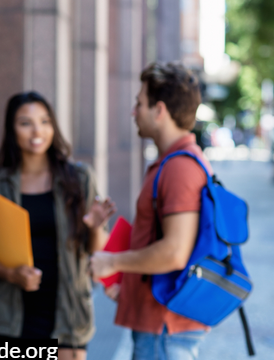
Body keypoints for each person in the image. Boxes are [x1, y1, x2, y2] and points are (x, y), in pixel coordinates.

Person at [0, 91, 116, 360]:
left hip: (68, 312)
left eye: (45, 121)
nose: (37, 130)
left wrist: (95, 227)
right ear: (12, 129)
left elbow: (96, 253)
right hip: (14, 314)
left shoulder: (79, 178)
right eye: (25, 123)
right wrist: (10, 274)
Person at [90, 62, 211, 360]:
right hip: (158, 326)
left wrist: (113, 262)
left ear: (160, 110)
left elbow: (174, 252)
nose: (134, 112)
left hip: (163, 331)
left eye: (139, 103)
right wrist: (127, 281)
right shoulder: (170, 163)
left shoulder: (180, 168)